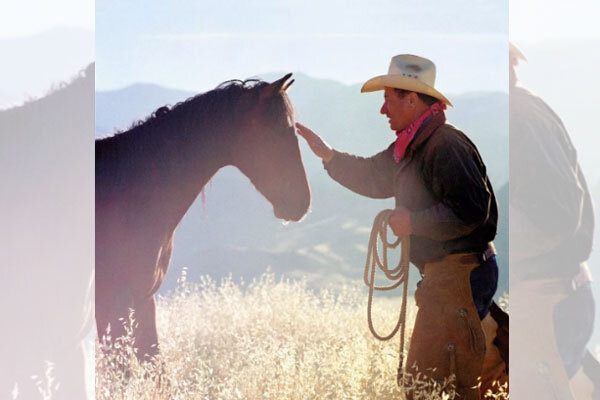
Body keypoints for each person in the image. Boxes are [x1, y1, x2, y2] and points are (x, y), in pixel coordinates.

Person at [296, 54, 507, 399]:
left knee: (423, 386)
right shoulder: (412, 145)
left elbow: (472, 210)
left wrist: (414, 222)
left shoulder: (445, 145)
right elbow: (374, 176)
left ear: (411, 99)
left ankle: (495, 353)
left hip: (456, 278)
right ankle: (495, 348)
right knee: (438, 382)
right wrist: (329, 156)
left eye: (388, 99)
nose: (383, 110)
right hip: (449, 279)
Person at [509, 43, 599, 399]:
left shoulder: (522, 117)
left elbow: (556, 218)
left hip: (548, 299)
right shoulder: (521, 111)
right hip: (554, 297)